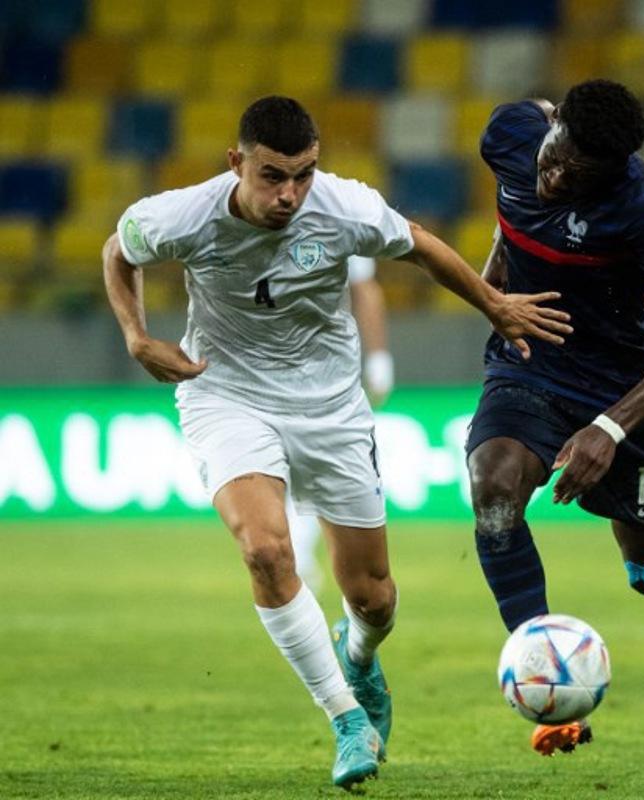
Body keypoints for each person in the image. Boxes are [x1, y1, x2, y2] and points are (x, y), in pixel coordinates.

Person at [101, 96, 570, 788]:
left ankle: (359, 658)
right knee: (266, 551)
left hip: (331, 407)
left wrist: (494, 305)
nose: (289, 194)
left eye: (304, 174)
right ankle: (346, 717)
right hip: (226, 396)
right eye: (272, 176)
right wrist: (137, 336)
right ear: (236, 163)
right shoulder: (182, 216)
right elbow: (119, 250)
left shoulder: (345, 206)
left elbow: (419, 245)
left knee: (374, 599)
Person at [467, 79, 644, 756]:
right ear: (553, 126)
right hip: (531, 365)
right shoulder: (509, 135)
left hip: (622, 387)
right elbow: (513, 207)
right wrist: (496, 284)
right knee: (494, 492)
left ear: (614, 172)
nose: (555, 178)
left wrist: (610, 428)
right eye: (555, 158)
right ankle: (547, 687)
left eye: (577, 177)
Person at [286, 255, 393, 591]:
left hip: (328, 366)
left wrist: (378, 356)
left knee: (317, 461)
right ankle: (294, 552)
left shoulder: (340, 223)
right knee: (285, 460)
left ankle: (302, 551)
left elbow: (363, 287)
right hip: (262, 363)